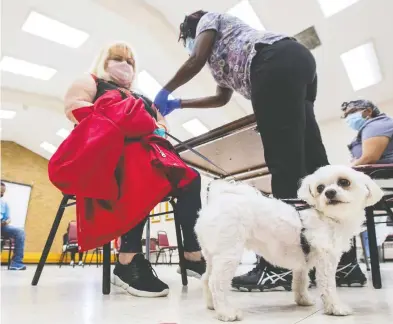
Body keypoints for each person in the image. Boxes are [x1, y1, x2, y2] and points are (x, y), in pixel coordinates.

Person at [153, 10, 329, 291]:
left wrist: (165, 90)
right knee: (313, 161)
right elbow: (221, 98)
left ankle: (279, 267)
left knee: (284, 163)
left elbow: (195, 59)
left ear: (192, 32)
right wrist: (179, 104)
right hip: (297, 61)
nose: (189, 44)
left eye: (186, 39)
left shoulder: (209, 19)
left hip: (271, 62)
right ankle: (339, 263)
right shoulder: (223, 58)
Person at [64, 42, 205, 298]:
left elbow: (161, 122)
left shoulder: (141, 96)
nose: (125, 65)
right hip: (110, 157)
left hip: (148, 151)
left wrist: (157, 127)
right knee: (141, 170)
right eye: (118, 59)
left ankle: (192, 254)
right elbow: (73, 108)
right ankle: (127, 261)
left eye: (130, 62)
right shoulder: (92, 81)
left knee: (191, 179)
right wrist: (117, 119)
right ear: (104, 60)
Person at [343, 100, 393, 166]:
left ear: (369, 111)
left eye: (352, 112)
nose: (349, 117)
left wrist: (348, 168)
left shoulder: (376, 125)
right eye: (346, 115)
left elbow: (369, 159)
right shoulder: (368, 129)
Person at [1, 182, 26, 270]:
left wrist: (6, 222)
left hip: (2, 227)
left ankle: (16, 263)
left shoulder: (4, 204)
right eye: (0, 191)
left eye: (3, 192)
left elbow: (8, 218)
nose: (1, 194)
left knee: (20, 232)